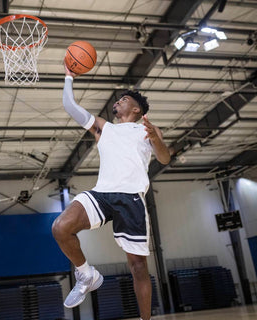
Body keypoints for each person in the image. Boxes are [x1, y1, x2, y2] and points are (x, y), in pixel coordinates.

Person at [52, 65, 171, 320]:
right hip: (102, 194)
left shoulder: (147, 129)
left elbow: (164, 157)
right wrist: (69, 76)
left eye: (124, 99)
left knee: (138, 266)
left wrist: (156, 138)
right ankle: (86, 273)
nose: (117, 101)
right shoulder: (105, 128)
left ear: (137, 109)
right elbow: (71, 107)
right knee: (61, 227)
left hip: (131, 197)